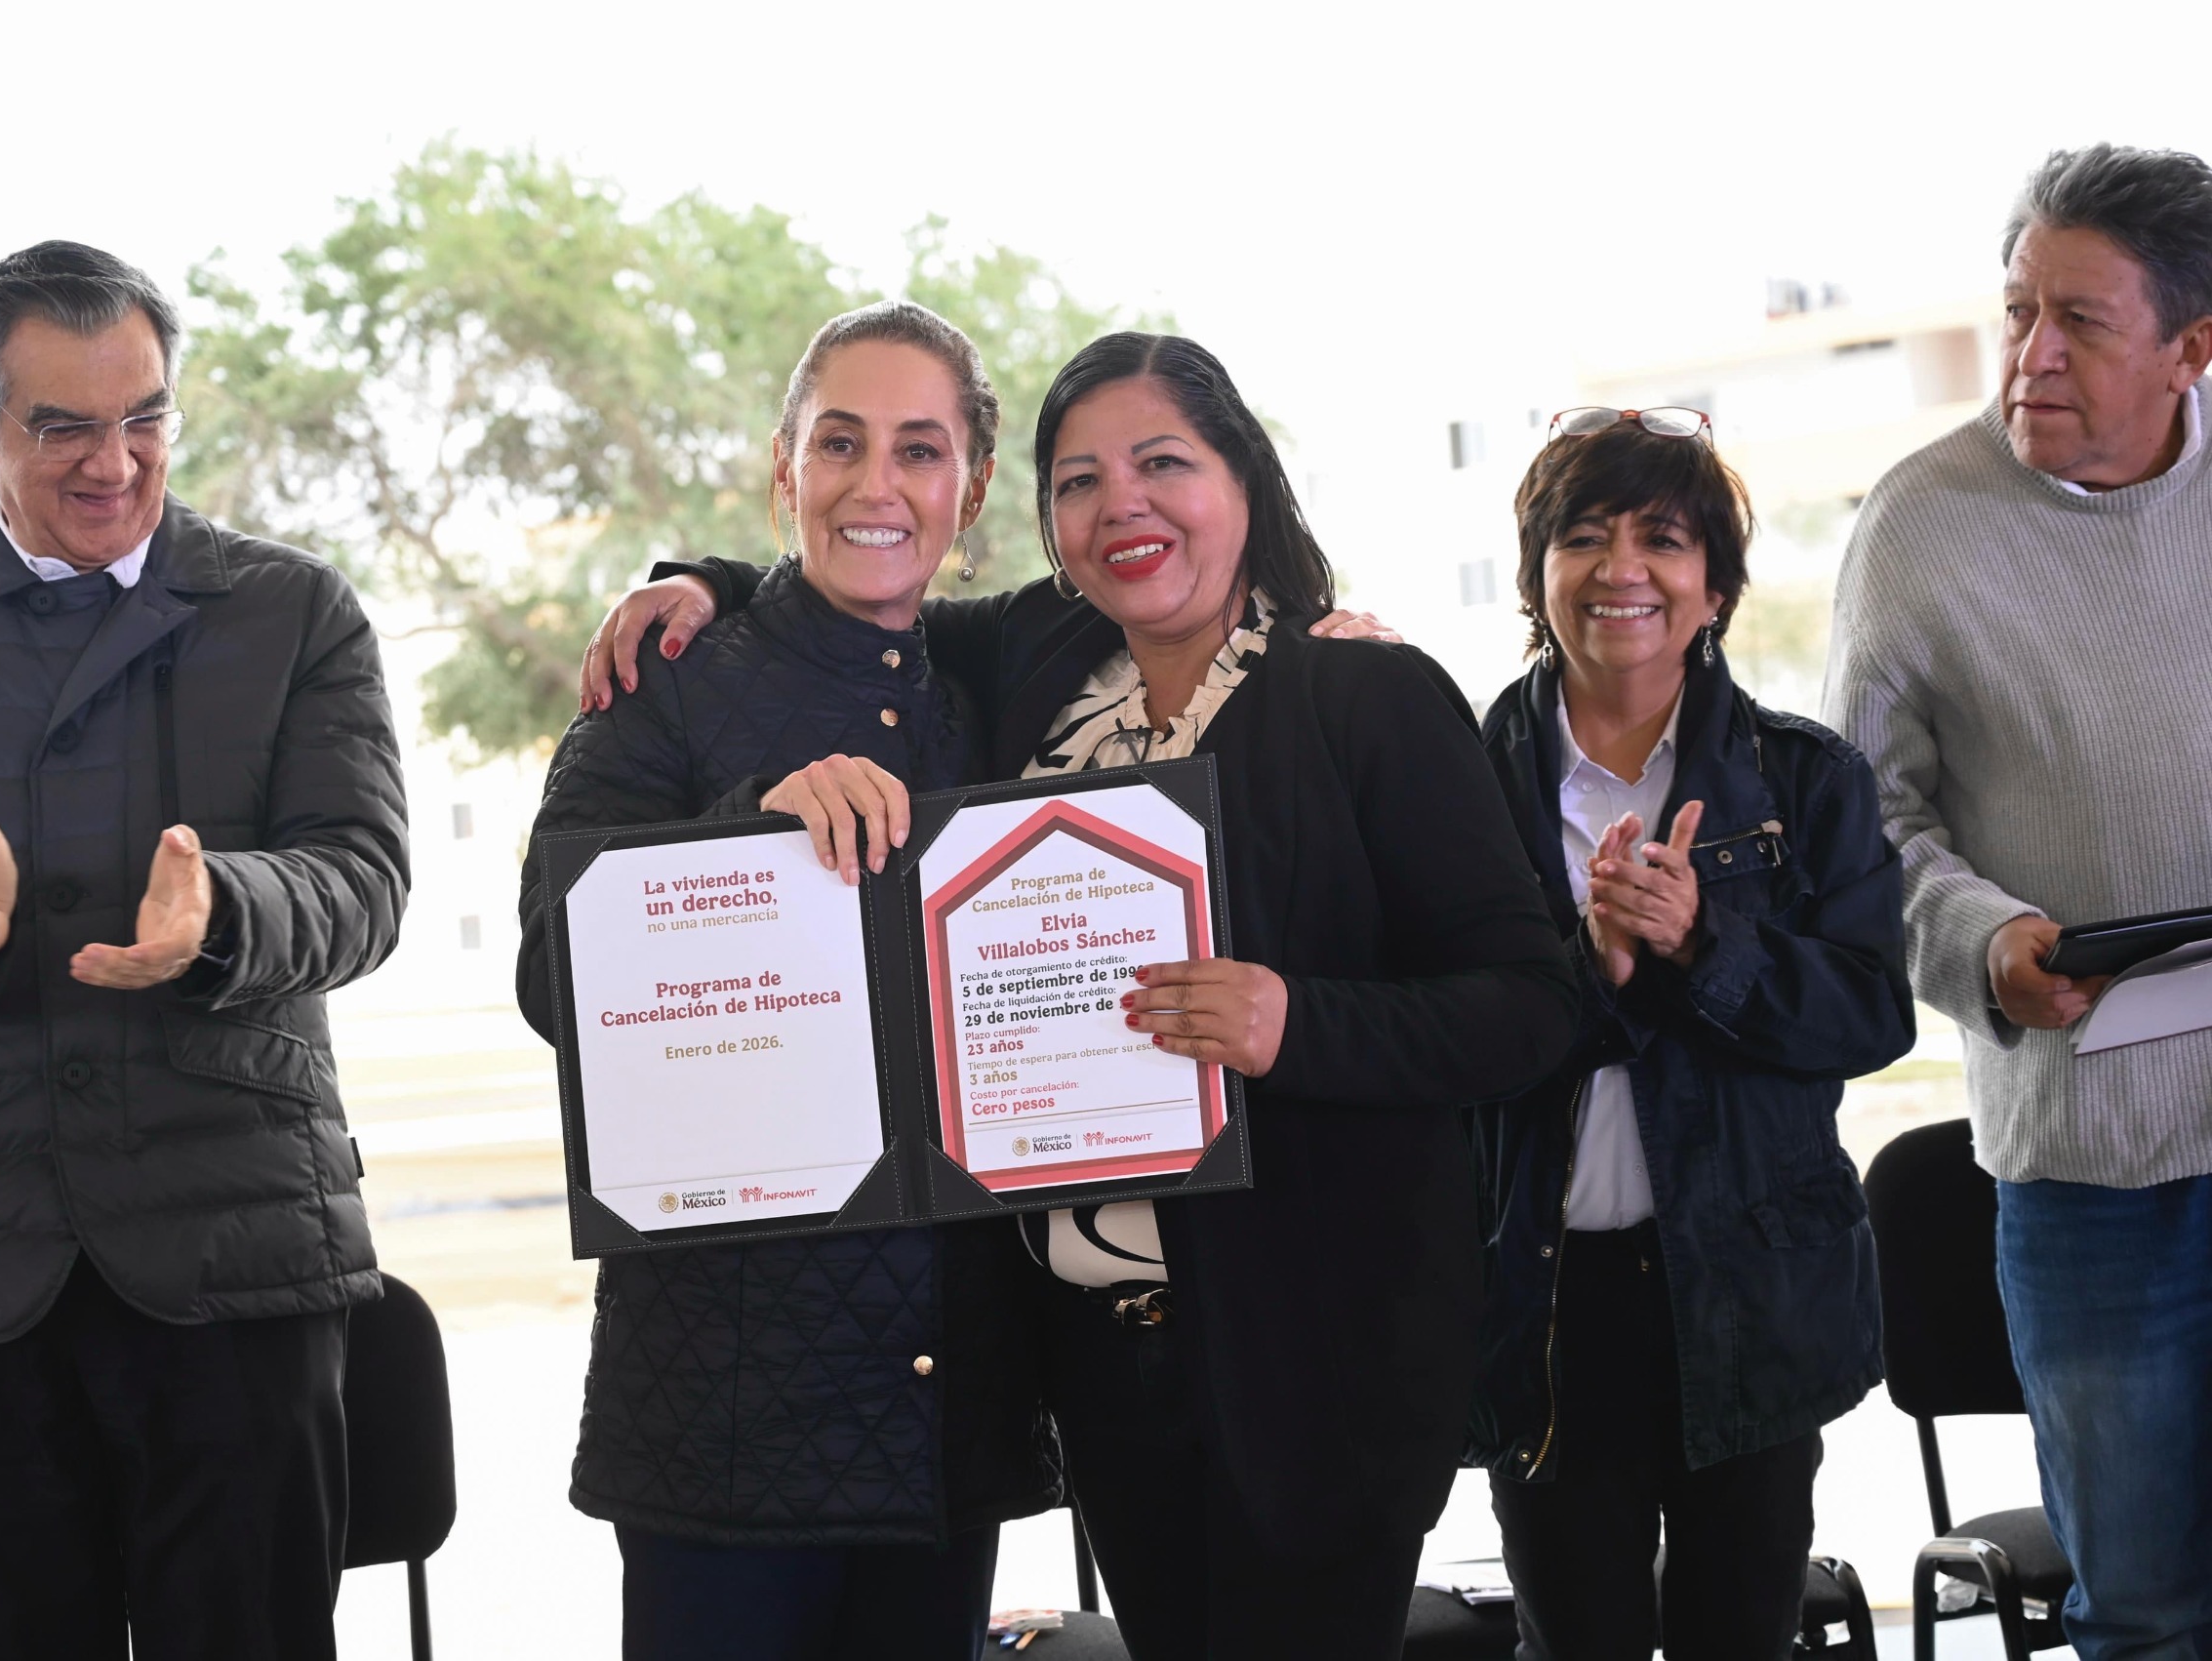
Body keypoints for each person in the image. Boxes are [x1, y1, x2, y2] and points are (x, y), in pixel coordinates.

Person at [583, 332, 1576, 1660]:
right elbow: (852, 588)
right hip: (1104, 1367)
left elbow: (1532, 1004)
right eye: (1081, 480)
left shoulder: (1363, 692)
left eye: (1164, 463)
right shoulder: (1037, 672)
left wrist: (1294, 1021)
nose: (1123, 505)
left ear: (1242, 476)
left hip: (1313, 1360)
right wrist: (694, 583)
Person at [0, 241, 409, 1659]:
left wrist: (226, 913)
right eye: (63, 428)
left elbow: (362, 879)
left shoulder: (296, 610)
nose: (116, 463)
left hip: (234, 1244)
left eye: (145, 416)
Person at [513, 301, 1063, 1661]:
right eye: (838, 442)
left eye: (919, 449)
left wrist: (1323, 629)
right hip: (721, 1419)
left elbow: (1183, 598)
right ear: (784, 466)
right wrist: (748, 846)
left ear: (972, 487)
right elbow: (551, 976)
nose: (876, 485)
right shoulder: (668, 680)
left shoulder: (991, 678)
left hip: (945, 1415)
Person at [1824, 143, 2212, 1657]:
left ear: (2191, 346)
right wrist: (1984, 947)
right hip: (2088, 1168)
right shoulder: (1922, 523)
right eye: (2017, 311)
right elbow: (1864, 815)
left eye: (2082, 321)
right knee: (2150, 1615)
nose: (2033, 354)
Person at [1468, 410, 1912, 1656]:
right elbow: (1435, 1038)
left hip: (1748, 1285)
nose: (1621, 569)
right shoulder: (1457, 783)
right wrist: (1592, 970)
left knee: (1740, 1631)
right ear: (1534, 576)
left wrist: (1702, 942)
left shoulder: (1806, 779)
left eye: (1661, 539)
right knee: (1575, 1636)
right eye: (1582, 535)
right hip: (1544, 1300)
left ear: (1714, 588)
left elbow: (1871, 1011)